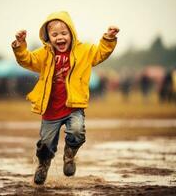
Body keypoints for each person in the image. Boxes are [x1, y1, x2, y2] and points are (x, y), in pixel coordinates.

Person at [11, 11, 119, 185]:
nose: (59, 38)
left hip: (73, 107)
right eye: (54, 34)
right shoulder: (44, 54)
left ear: (71, 34)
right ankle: (43, 166)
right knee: (45, 144)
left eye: (63, 33)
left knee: (77, 131)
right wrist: (20, 46)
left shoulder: (83, 51)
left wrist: (108, 39)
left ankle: (69, 155)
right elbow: (27, 60)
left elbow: (100, 53)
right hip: (50, 110)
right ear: (48, 37)